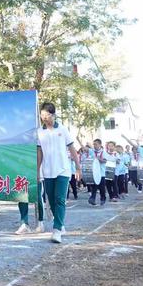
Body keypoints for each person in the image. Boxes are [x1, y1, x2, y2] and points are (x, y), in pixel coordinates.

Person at [37, 102, 81, 244]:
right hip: (48, 171)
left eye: (47, 115)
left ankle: (56, 230)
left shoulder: (62, 129)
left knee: (60, 199)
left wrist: (78, 167)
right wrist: (37, 170)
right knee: (52, 200)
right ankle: (60, 224)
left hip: (63, 170)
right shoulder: (40, 131)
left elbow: (72, 149)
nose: (44, 118)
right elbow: (39, 152)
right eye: (42, 115)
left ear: (53, 115)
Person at [88, 139, 107, 206]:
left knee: (102, 187)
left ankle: (103, 199)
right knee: (94, 186)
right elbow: (85, 149)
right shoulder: (92, 151)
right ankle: (92, 199)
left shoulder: (103, 152)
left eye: (96, 144)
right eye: (94, 144)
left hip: (101, 173)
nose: (94, 145)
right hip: (94, 172)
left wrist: (99, 159)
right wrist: (79, 140)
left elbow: (104, 161)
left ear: (100, 144)